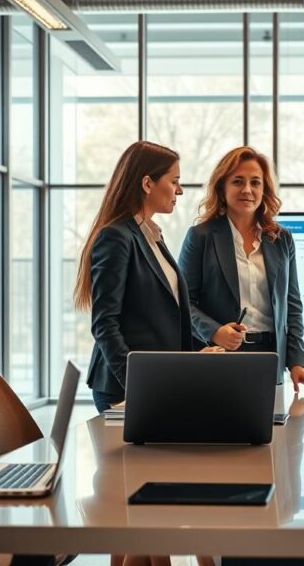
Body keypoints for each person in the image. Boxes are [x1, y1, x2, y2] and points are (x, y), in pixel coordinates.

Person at [74, 140, 221, 417]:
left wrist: (196, 360)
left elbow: (163, 316)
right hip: (125, 388)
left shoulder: (151, 235)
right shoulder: (116, 236)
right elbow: (105, 323)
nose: (180, 190)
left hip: (159, 382)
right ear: (147, 183)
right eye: (174, 180)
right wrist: (138, 384)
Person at [178, 146, 304, 395]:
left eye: (255, 182)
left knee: (271, 432)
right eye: (237, 181)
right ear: (222, 187)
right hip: (220, 356)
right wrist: (214, 331)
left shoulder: (281, 238)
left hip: (269, 359)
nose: (247, 190)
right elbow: (182, 302)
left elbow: (292, 304)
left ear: (264, 190)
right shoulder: (200, 236)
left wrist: (296, 361)